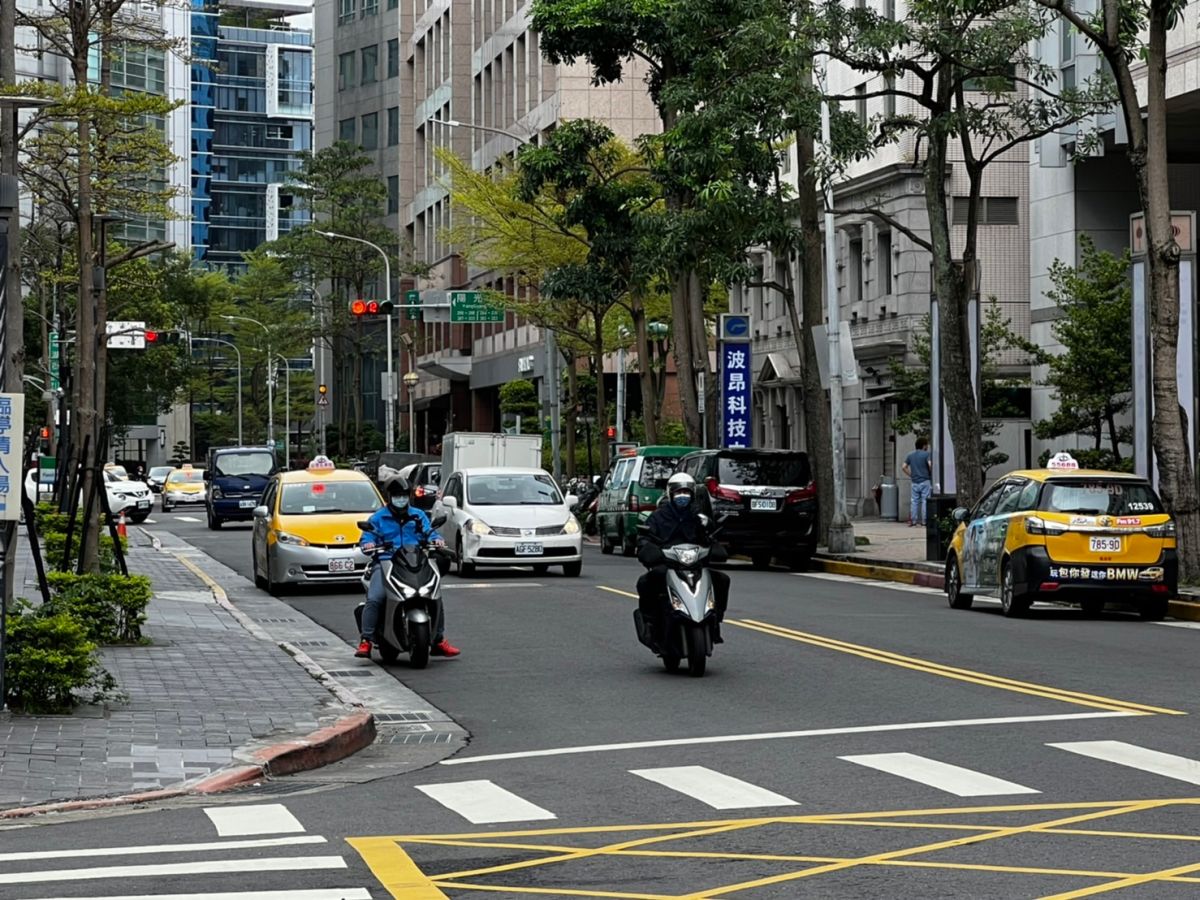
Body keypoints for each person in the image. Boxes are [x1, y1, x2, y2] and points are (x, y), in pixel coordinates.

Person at [356, 477, 460, 659]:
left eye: (404, 495)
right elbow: (368, 537)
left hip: (415, 561)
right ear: (389, 497)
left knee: (434, 595)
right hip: (386, 562)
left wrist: (436, 540)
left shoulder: (418, 515)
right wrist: (368, 545)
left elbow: (429, 532)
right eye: (397, 496)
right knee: (375, 598)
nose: (401, 499)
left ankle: (438, 639)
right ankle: (366, 640)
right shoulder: (378, 518)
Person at [636, 472, 730, 648]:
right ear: (670, 493)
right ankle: (651, 624)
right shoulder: (658, 517)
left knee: (722, 580)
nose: (682, 496)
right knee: (646, 582)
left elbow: (710, 536)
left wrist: (713, 541)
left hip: (696, 565)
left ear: (692, 493)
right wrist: (647, 548)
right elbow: (645, 536)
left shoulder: (698, 517)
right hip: (668, 564)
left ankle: (715, 619)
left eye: (686, 492)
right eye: (678, 492)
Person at [903, 437, 932, 527]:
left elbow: (903, 467)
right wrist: (930, 473)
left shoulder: (910, 455)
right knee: (925, 501)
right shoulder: (927, 454)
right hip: (925, 480)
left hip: (915, 482)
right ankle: (924, 521)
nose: (927, 446)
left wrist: (911, 475)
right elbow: (930, 464)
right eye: (927, 445)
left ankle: (914, 520)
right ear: (924, 446)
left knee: (914, 501)